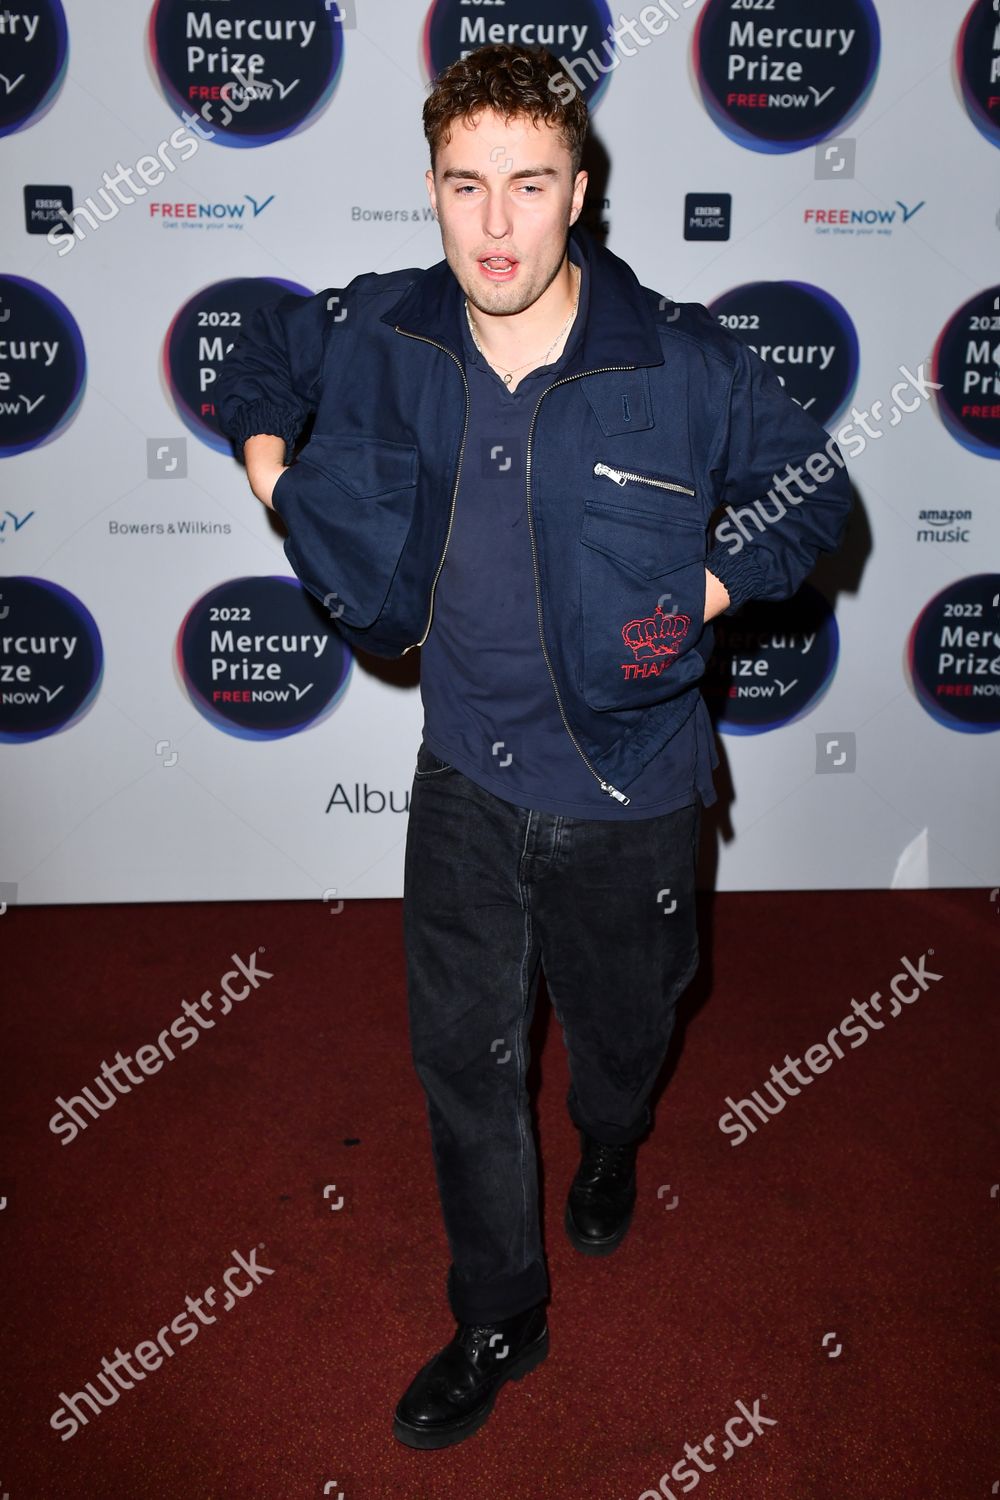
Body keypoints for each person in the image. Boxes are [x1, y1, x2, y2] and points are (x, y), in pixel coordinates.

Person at [216, 42, 852, 1452]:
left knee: (625, 1037)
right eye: (464, 187)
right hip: (465, 784)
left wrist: (707, 587)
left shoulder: (681, 363)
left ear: (581, 191)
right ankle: (501, 1310)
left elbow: (816, 498)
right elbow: (257, 353)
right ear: (433, 191)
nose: (494, 226)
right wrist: (277, 476)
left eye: (528, 185)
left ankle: (615, 1136)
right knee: (465, 1063)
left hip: (632, 790)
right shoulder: (388, 328)